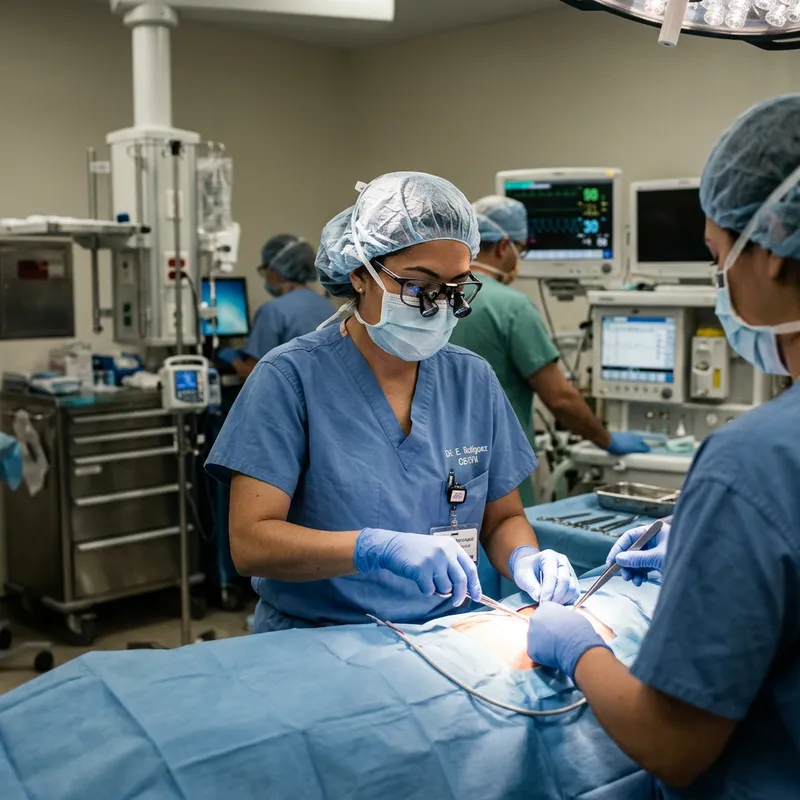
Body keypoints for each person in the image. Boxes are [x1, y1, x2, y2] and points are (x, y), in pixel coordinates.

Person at [527, 94, 800, 798]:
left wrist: (576, 644)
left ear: (770, 252)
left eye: (717, 258)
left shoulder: (755, 461)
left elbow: (670, 743)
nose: (720, 284)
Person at [206, 171, 581, 633]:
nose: (437, 306)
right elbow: (251, 543)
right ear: (360, 274)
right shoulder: (290, 379)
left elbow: (502, 518)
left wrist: (527, 557)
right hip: (317, 640)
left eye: (454, 289)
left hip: (446, 635)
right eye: (418, 286)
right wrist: (371, 548)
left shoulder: (472, 379)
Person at [448, 195, 650, 506]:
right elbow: (560, 398)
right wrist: (607, 440)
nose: (520, 258)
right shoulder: (511, 308)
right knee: (508, 544)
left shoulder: (441, 299)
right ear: (504, 247)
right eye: (521, 249)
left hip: (443, 463)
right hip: (499, 470)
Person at [218, 234, 334, 378]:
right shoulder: (328, 307)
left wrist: (229, 357)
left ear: (278, 270)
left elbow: (252, 372)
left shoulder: (273, 311)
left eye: (265, 270)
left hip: (289, 397)